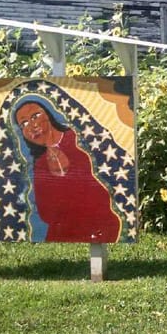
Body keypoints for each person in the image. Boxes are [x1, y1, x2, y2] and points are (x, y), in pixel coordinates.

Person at [11, 98, 121, 242]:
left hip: (101, 221)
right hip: (65, 229)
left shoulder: (77, 138)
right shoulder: (40, 164)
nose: (32, 126)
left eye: (35, 116)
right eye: (23, 123)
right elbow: (45, 212)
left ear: (49, 114)